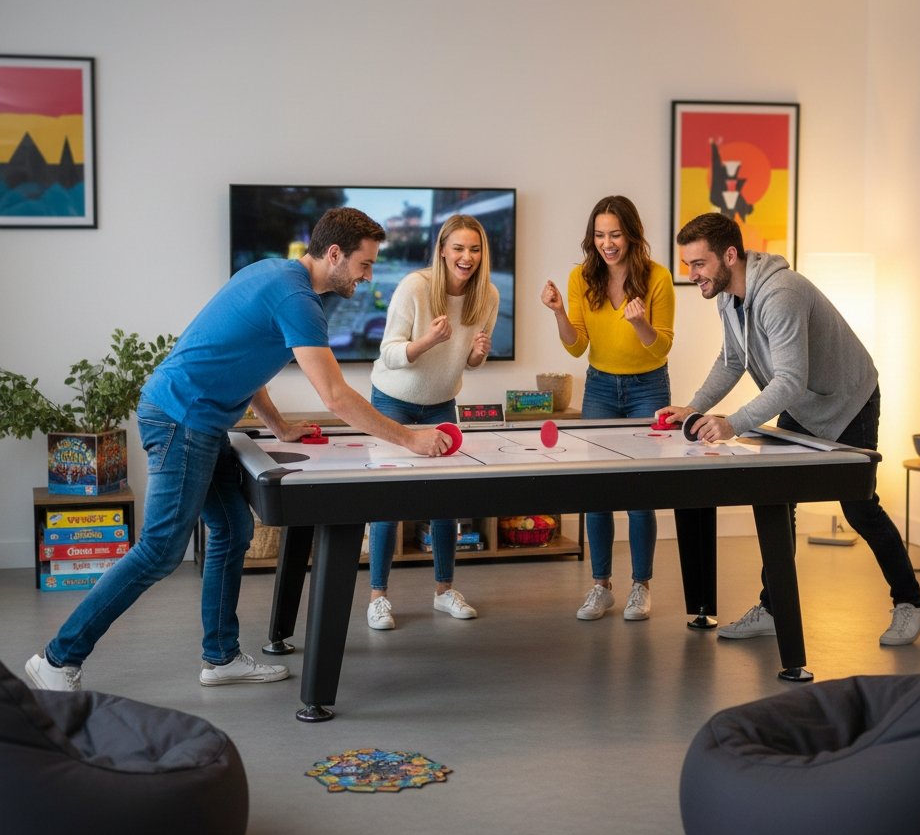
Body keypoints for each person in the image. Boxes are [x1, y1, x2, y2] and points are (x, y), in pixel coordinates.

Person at [25, 207, 454, 693]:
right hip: (181, 418)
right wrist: (411, 437)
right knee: (161, 549)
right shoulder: (298, 300)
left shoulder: (273, 273)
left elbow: (244, 361)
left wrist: (280, 427)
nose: (368, 274)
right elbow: (334, 395)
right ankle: (57, 659)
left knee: (232, 528)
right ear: (334, 254)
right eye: (365, 263)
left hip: (194, 419)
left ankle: (222, 657)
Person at [659, 211, 920, 646]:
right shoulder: (729, 296)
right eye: (688, 264)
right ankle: (773, 607)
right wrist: (693, 407)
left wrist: (732, 423)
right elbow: (733, 360)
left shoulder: (779, 294)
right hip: (802, 404)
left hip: (848, 401)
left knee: (859, 508)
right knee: (777, 499)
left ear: (729, 255)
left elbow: (788, 380)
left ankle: (911, 604)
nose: (692, 275)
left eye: (698, 264)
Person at [541, 195, 674, 622]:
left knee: (640, 493)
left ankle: (641, 586)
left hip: (647, 389)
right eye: (600, 235)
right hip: (599, 387)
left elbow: (663, 346)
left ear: (632, 235)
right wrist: (560, 312)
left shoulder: (658, 278)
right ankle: (601, 586)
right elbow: (577, 346)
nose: (607, 243)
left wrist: (639, 322)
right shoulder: (582, 277)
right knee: (597, 491)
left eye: (615, 234)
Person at [366, 213, 499, 630]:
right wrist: (427, 341)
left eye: (474, 249)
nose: (467, 257)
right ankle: (378, 598)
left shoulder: (487, 295)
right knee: (386, 503)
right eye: (458, 248)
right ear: (442, 250)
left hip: (442, 404)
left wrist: (476, 354)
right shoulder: (415, 287)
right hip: (393, 403)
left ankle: (444, 591)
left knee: (447, 502)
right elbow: (389, 352)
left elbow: (469, 363)